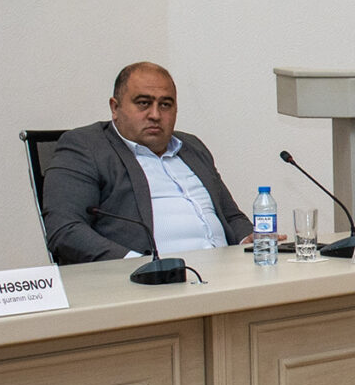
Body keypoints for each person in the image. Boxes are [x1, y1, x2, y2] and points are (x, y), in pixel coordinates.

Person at [43, 62, 252, 262]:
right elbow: (64, 229)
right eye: (144, 103)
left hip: (227, 274)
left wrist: (249, 239)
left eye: (165, 105)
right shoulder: (86, 147)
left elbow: (231, 216)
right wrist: (138, 265)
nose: (155, 115)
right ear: (115, 108)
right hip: (152, 279)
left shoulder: (192, 147)